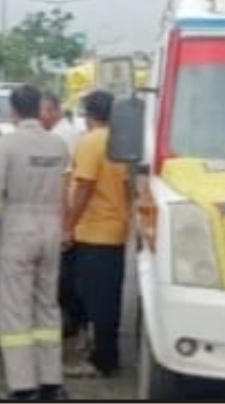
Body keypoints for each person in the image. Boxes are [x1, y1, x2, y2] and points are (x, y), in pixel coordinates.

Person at [0, 85, 70, 400]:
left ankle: (23, 387)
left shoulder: (7, 144)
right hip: (51, 227)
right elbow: (66, 189)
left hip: (18, 230)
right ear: (39, 108)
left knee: (15, 309)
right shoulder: (57, 145)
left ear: (13, 111)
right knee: (47, 307)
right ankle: (51, 382)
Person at [64, 90, 130, 378]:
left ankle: (102, 361)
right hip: (115, 228)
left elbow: (84, 186)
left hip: (95, 231)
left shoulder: (92, 142)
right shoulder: (122, 141)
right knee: (107, 299)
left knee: (94, 300)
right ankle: (105, 355)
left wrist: (68, 224)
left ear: (88, 113)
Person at [39, 92, 87, 344]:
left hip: (63, 216)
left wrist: (64, 225)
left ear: (54, 110)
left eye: (42, 111)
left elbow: (65, 184)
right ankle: (75, 323)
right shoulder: (65, 134)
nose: (39, 117)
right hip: (67, 216)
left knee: (64, 277)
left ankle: (75, 323)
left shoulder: (61, 137)